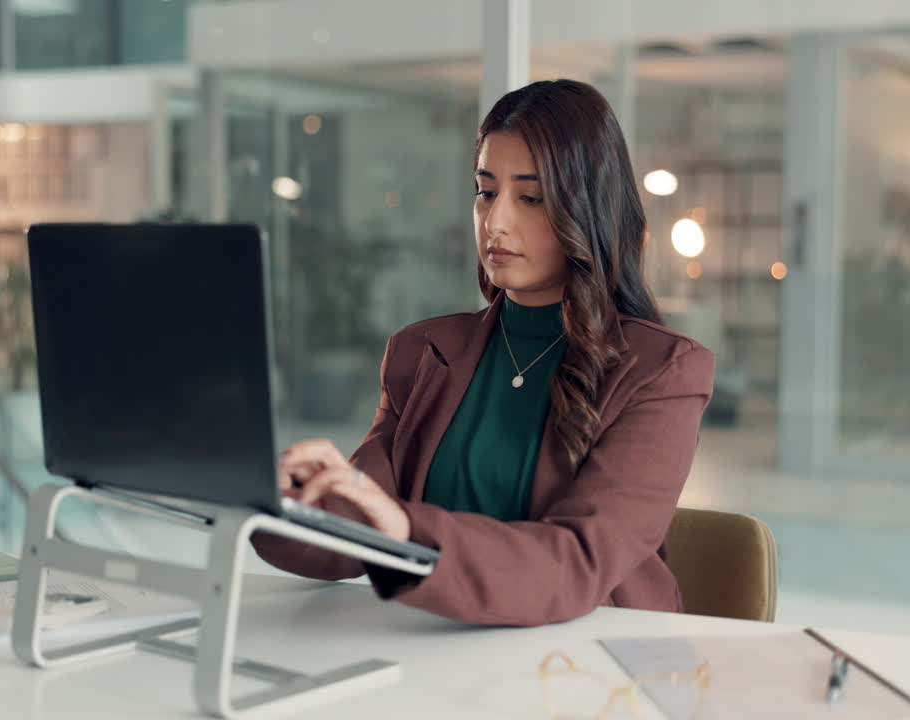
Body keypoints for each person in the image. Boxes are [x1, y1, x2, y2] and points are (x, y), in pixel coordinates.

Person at [253, 79, 715, 627]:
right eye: (485, 190)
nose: (495, 221)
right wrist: (270, 500)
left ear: (588, 207)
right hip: (440, 647)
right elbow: (351, 536)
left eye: (531, 197)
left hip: (592, 667)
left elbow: (577, 564)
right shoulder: (421, 352)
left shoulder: (662, 371)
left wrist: (404, 532)